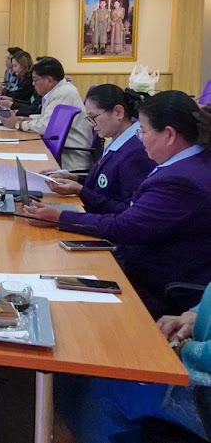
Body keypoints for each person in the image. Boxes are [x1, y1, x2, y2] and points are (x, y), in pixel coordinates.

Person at [24, 91, 211, 318]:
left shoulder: (181, 179)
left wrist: (60, 217)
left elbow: (126, 226)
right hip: (142, 263)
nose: (140, 138)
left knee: (58, 306)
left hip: (157, 286)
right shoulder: (189, 163)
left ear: (169, 135)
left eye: (143, 131)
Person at [56, 283, 211, 443]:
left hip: (203, 385)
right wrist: (195, 315)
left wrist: (183, 348)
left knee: (106, 383)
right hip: (197, 353)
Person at [44, 85, 154, 214]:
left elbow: (127, 210)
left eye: (94, 117)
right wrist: (73, 178)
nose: (91, 125)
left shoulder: (135, 152)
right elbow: (105, 185)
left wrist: (80, 191)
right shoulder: (117, 140)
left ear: (118, 112)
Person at [1, 56, 92, 171]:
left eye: (35, 80)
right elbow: (49, 118)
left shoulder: (63, 94)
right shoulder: (59, 91)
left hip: (69, 159)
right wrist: (23, 119)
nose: (33, 84)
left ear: (49, 80)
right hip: (60, 151)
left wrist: (17, 124)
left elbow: (45, 127)